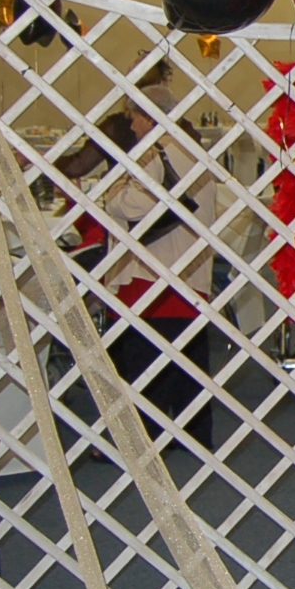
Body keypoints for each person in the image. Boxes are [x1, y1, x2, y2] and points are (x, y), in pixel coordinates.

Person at [102, 77, 221, 450]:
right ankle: (195, 434)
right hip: (190, 267)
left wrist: (111, 195)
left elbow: (134, 204)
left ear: (149, 117)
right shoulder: (193, 150)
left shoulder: (153, 153)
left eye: (134, 117)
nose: (132, 126)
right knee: (189, 360)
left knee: (145, 361)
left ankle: (144, 439)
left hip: (153, 271)